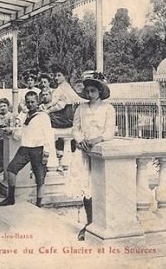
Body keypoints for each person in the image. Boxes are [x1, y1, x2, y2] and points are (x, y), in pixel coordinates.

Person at [71, 74, 116, 241]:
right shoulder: (81, 109)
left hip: (100, 151)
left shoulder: (108, 108)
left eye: (93, 91)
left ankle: (103, 223)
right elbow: (75, 128)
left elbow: (109, 132)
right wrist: (80, 140)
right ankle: (90, 223)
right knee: (87, 188)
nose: (90, 94)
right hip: (84, 152)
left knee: (101, 187)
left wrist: (96, 140)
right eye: (88, 91)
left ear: (100, 91)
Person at [0, 91, 53, 207]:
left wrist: (46, 153)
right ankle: (10, 198)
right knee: (11, 169)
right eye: (28, 102)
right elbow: (22, 131)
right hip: (25, 148)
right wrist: (12, 130)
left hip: (38, 149)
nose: (30, 104)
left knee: (40, 177)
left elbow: (48, 136)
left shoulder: (43, 116)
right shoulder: (25, 115)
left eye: (33, 102)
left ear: (37, 102)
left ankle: (39, 204)